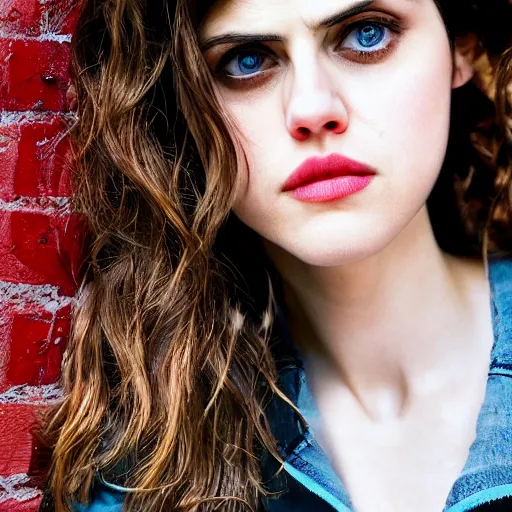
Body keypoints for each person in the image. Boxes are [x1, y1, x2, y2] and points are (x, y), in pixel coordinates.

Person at [40, 0, 512, 510]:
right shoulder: (144, 467)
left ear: (461, 49)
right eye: (246, 60)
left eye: (367, 34)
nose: (312, 109)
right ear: (185, 109)